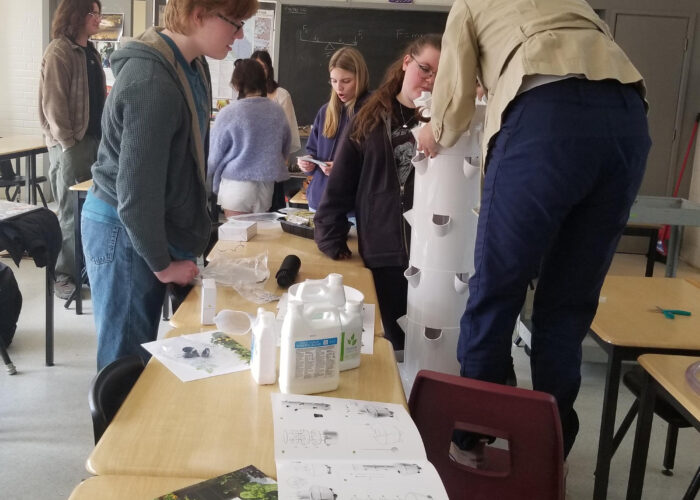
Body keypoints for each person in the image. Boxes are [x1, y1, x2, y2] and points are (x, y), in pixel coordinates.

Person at [417, 0, 650, 457]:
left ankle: (471, 439)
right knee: (568, 303)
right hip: (626, 118)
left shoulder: (470, 4)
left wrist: (434, 131)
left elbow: (453, 99)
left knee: (498, 288)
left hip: (546, 119)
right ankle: (548, 453)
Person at [82, 0, 258, 369]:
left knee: (141, 349)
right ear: (199, 14)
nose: (240, 33)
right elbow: (136, 195)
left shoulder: (193, 65)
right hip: (123, 227)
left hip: (143, 223)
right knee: (125, 360)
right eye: (235, 21)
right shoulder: (151, 81)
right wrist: (163, 266)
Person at [314, 34, 442, 355]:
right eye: (425, 69)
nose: (430, 79)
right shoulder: (371, 114)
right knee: (388, 346)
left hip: (434, 255)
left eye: (441, 74)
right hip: (384, 251)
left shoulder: (449, 121)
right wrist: (330, 234)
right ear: (407, 62)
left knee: (430, 346)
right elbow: (342, 179)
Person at [39, 0, 106, 299]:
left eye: (99, 13)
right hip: (72, 145)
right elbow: (53, 103)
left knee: (90, 211)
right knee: (69, 212)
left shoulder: (91, 52)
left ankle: (83, 270)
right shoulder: (59, 51)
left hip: (94, 142)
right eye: (93, 13)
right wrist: (67, 142)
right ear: (76, 15)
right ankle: (63, 275)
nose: (98, 18)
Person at [208, 58, 291, 217]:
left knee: (237, 232)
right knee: (258, 232)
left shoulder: (228, 113)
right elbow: (285, 149)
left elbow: (214, 156)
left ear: (237, 84)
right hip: (266, 186)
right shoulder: (277, 111)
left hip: (236, 185)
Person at [297, 47, 369, 211]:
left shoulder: (371, 111)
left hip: (351, 207)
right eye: (334, 81)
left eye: (346, 81)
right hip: (318, 203)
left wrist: (342, 168)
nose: (339, 88)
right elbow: (312, 150)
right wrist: (308, 162)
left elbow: (376, 163)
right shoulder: (325, 111)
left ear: (360, 77)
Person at [250, 50, 301, 154]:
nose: (259, 72)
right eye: (255, 68)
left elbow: (286, 133)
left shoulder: (282, 95)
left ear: (269, 70)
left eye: (263, 67)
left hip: (274, 154)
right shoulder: (246, 96)